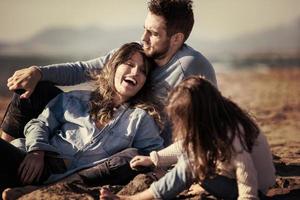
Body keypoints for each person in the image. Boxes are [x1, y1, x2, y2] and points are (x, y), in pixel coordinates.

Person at [1, 0, 217, 146]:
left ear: (177, 39)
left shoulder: (191, 66)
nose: (144, 37)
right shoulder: (136, 53)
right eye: (144, 29)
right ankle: (9, 150)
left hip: (132, 143)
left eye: (153, 33)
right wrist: (37, 71)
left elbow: (210, 122)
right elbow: (83, 70)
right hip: (100, 123)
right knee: (31, 91)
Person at [0, 42, 164, 194]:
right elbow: (40, 124)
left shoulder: (141, 119)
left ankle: (41, 190)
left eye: (143, 71)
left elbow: (153, 157)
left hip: (80, 179)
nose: (135, 72)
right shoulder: (76, 99)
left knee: (132, 156)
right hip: (34, 164)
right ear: (113, 67)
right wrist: (37, 151)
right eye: (129, 64)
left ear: (145, 82)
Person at [100, 76, 276, 200]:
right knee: (192, 160)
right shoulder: (222, 116)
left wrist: (248, 197)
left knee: (190, 164)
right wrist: (153, 159)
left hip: (251, 190)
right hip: (235, 181)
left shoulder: (229, 132)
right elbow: (186, 144)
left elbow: (246, 168)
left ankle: (135, 199)